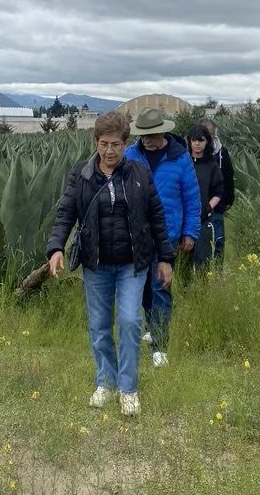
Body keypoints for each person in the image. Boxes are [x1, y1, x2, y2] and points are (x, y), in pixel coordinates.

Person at [46, 111, 174, 416]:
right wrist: (56, 248)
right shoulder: (82, 175)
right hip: (97, 264)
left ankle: (128, 388)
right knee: (100, 325)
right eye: (103, 144)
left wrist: (165, 258)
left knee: (129, 321)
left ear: (125, 144)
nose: (109, 150)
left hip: (132, 264)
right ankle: (106, 381)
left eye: (115, 144)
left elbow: (157, 217)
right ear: (95, 142)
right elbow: (66, 213)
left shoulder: (139, 173)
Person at [124, 107, 201, 367]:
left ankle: (160, 345)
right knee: (143, 288)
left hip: (167, 235)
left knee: (161, 288)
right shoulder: (130, 155)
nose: (147, 139)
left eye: (151, 135)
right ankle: (151, 325)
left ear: (162, 133)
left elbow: (191, 198)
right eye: (143, 135)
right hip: (136, 234)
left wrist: (190, 232)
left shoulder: (180, 158)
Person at [186, 124, 225, 267]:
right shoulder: (183, 163)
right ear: (189, 141)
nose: (197, 143)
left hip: (203, 220)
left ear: (207, 141)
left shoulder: (211, 165)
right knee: (183, 263)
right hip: (183, 219)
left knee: (203, 261)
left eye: (201, 140)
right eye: (194, 140)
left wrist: (208, 207)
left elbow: (218, 191)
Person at [198, 118, 235, 260]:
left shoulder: (221, 152)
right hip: (197, 206)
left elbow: (228, 175)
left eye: (210, 135)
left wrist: (228, 200)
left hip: (217, 206)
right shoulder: (190, 153)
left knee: (218, 239)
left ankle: (217, 267)